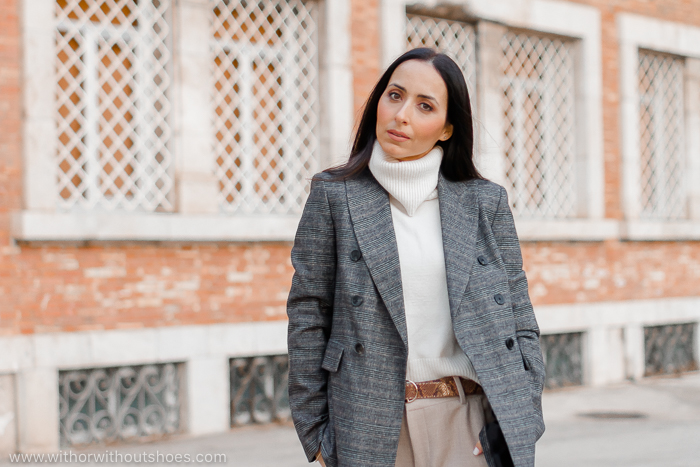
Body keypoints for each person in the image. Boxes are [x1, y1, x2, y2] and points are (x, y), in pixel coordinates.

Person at [286, 48, 545, 467]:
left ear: (446, 128)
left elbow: (519, 317)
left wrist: (522, 419)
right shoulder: (334, 195)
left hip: (469, 425)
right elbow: (308, 314)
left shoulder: (484, 203)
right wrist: (315, 433)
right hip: (369, 426)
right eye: (394, 95)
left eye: (425, 105)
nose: (401, 114)